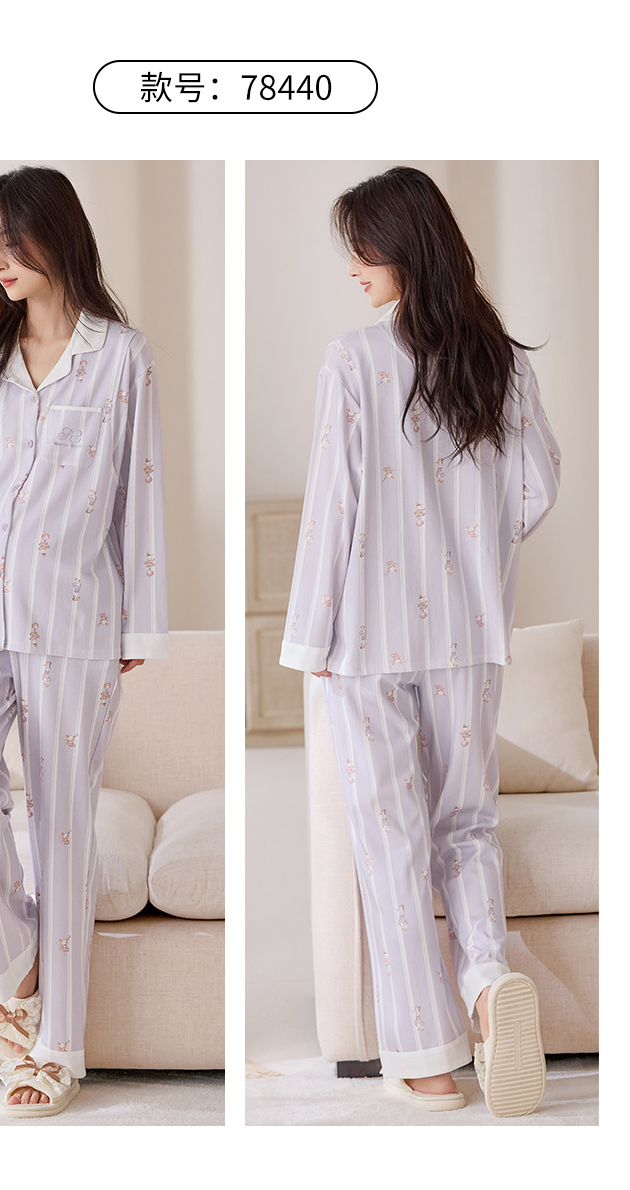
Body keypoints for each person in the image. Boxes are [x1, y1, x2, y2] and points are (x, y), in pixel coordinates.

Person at [279, 166, 559, 1117]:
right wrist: (471, 551)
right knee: (466, 824)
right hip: (471, 633)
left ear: (406, 245)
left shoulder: (354, 360)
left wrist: (310, 635)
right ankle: (486, 981)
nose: (353, 266)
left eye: (364, 248)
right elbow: (539, 485)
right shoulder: (501, 361)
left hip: (368, 638)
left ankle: (430, 1062)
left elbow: (334, 505)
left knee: (391, 837)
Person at [0, 165, 168, 1118]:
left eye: (11, 240)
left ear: (55, 234)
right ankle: (17, 963)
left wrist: (139, 622)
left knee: (62, 825)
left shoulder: (121, 359)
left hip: (75, 622)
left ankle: (58, 1047)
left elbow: (139, 496)